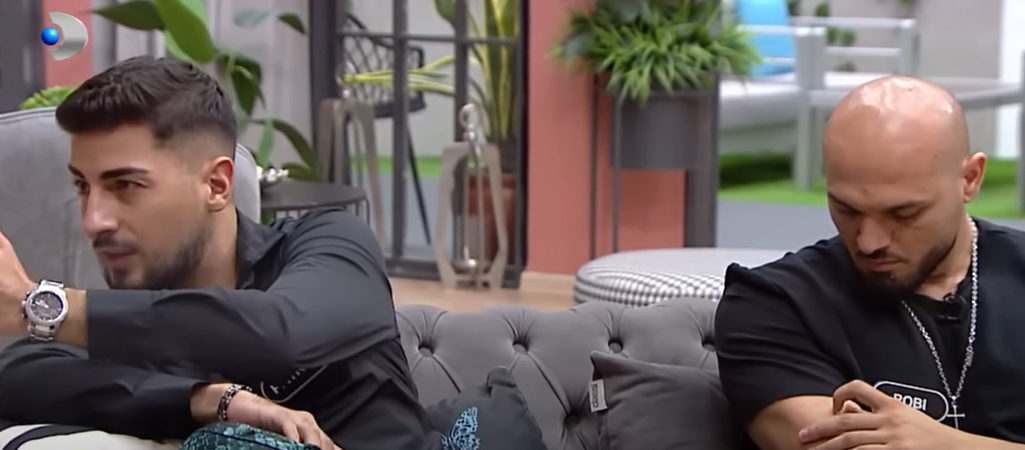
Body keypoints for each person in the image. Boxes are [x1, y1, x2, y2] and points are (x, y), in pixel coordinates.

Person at [0, 56, 439, 450]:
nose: (94, 220)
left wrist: (45, 308)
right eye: (83, 186)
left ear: (216, 185)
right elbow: (19, 373)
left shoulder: (329, 243)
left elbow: (281, 333)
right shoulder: (131, 321)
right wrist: (209, 400)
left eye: (126, 185)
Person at [716, 75, 1025, 450]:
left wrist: (943, 443)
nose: (869, 242)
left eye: (904, 213)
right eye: (846, 209)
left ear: (970, 180)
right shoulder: (774, 304)